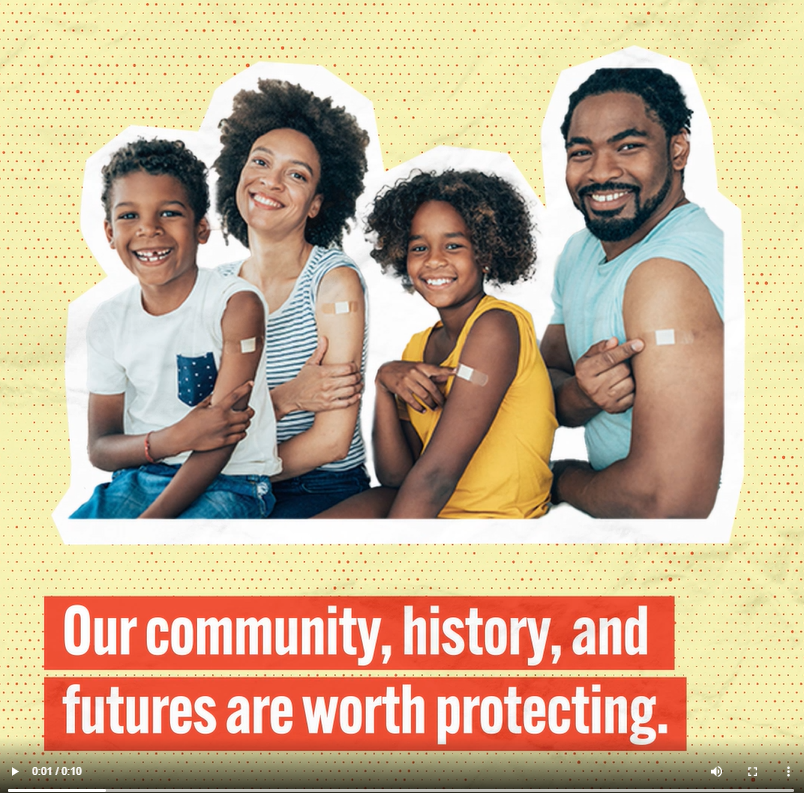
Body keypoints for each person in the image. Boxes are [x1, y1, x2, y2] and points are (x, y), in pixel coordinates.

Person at [541, 68, 724, 519]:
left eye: (628, 146)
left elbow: (665, 502)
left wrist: (558, 477)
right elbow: (541, 376)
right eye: (582, 152)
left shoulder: (665, 276)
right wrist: (582, 396)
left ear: (677, 149)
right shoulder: (581, 251)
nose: (601, 172)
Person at [325, 170, 556, 519]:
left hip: (492, 521)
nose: (434, 260)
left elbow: (436, 477)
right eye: (419, 247)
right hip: (431, 507)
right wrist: (384, 383)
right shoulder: (417, 347)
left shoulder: (497, 327)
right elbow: (397, 476)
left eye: (453, 245)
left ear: (486, 252)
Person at [71, 139, 281, 519]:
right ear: (109, 232)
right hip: (141, 476)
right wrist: (173, 439)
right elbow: (100, 448)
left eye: (168, 213)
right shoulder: (108, 320)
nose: (148, 229)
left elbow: (223, 434)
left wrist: (148, 525)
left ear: (201, 228)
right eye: (128, 216)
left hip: (232, 481)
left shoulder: (236, 305)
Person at [214, 79, 371, 518]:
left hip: (318, 486)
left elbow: (331, 441)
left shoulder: (335, 284)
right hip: (228, 478)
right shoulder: (214, 288)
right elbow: (195, 421)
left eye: (296, 174)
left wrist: (224, 467)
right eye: (260, 161)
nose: (272, 181)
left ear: (317, 204)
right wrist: (289, 397)